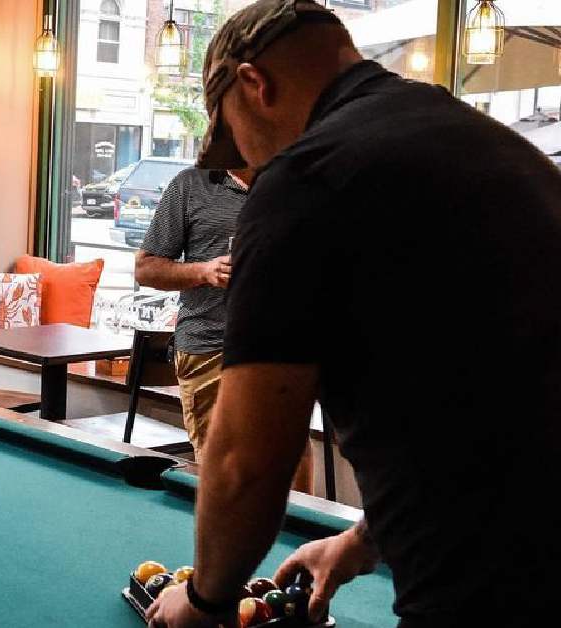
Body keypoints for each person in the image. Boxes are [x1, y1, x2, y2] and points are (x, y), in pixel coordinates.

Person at [147, 1, 561, 627]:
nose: (248, 165)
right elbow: (488, 388)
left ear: (254, 84)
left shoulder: (305, 178)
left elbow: (247, 459)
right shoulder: (487, 144)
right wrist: (366, 539)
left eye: (234, 136)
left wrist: (206, 599)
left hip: (496, 586)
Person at [134, 166, 313, 492]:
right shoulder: (191, 185)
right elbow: (146, 269)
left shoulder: (294, 181)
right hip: (209, 348)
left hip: (282, 348)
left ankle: (296, 541)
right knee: (228, 478)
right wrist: (204, 271)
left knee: (292, 466)